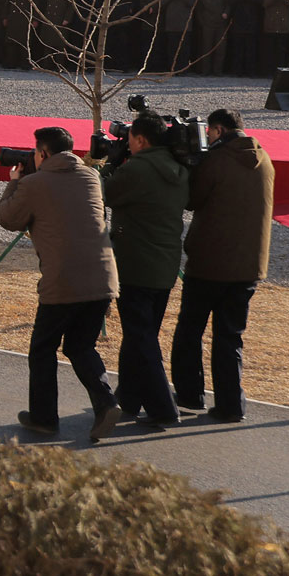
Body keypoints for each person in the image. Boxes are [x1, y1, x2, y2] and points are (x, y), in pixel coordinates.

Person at [0, 126, 123, 442]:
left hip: (64, 280)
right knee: (81, 346)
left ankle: (44, 418)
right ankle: (107, 403)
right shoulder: (91, 177)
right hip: (103, 277)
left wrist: (14, 183)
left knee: (42, 349)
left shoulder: (34, 184)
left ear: (44, 153)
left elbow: (8, 219)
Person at [172, 109, 274, 423]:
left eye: (209, 133)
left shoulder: (217, 161)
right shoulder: (264, 159)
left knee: (190, 331)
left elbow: (192, 199)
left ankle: (190, 395)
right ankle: (231, 405)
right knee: (230, 337)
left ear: (218, 130)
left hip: (210, 263)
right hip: (248, 265)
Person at [100, 115, 188, 428]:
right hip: (165, 263)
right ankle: (130, 397)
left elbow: (103, 194)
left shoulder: (136, 168)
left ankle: (163, 407)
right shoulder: (180, 167)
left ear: (141, 140)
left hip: (135, 262)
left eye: (131, 140)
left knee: (141, 337)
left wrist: (109, 164)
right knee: (141, 335)